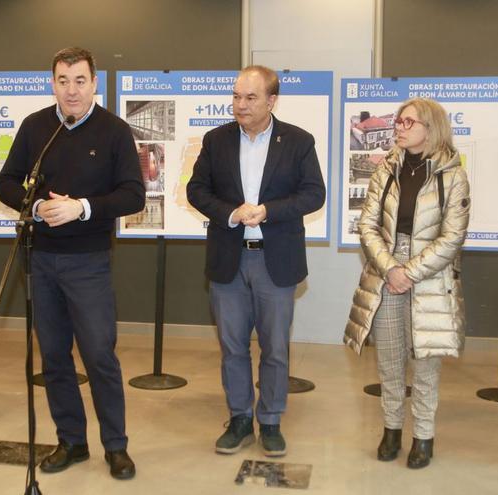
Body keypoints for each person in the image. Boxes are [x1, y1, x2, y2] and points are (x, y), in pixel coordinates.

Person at [0, 47, 144, 480]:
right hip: (41, 260)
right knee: (55, 357)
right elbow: (5, 183)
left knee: (99, 355)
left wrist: (82, 207)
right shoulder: (36, 127)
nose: (71, 89)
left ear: (94, 83)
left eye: (80, 80)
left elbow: (133, 194)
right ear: (53, 83)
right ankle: (71, 441)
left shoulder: (115, 131)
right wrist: (38, 205)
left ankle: (115, 446)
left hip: (89, 262)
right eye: (63, 80)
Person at [187, 65, 326, 457]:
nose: (240, 105)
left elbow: (314, 195)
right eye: (236, 96)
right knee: (232, 346)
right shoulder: (216, 140)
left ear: (272, 100)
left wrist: (268, 210)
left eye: (250, 97)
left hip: (275, 262)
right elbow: (197, 190)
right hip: (228, 260)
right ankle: (240, 419)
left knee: (275, 348)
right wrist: (231, 213)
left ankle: (271, 420)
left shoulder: (298, 141)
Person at [344, 97, 470, 469]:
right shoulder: (386, 169)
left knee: (426, 364)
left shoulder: (453, 174)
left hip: (430, 276)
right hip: (386, 272)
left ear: (430, 129)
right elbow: (367, 225)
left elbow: (452, 237)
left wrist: (409, 272)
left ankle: (424, 437)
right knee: (390, 360)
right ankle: (392, 430)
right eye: (399, 121)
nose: (399, 127)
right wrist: (390, 269)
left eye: (408, 122)